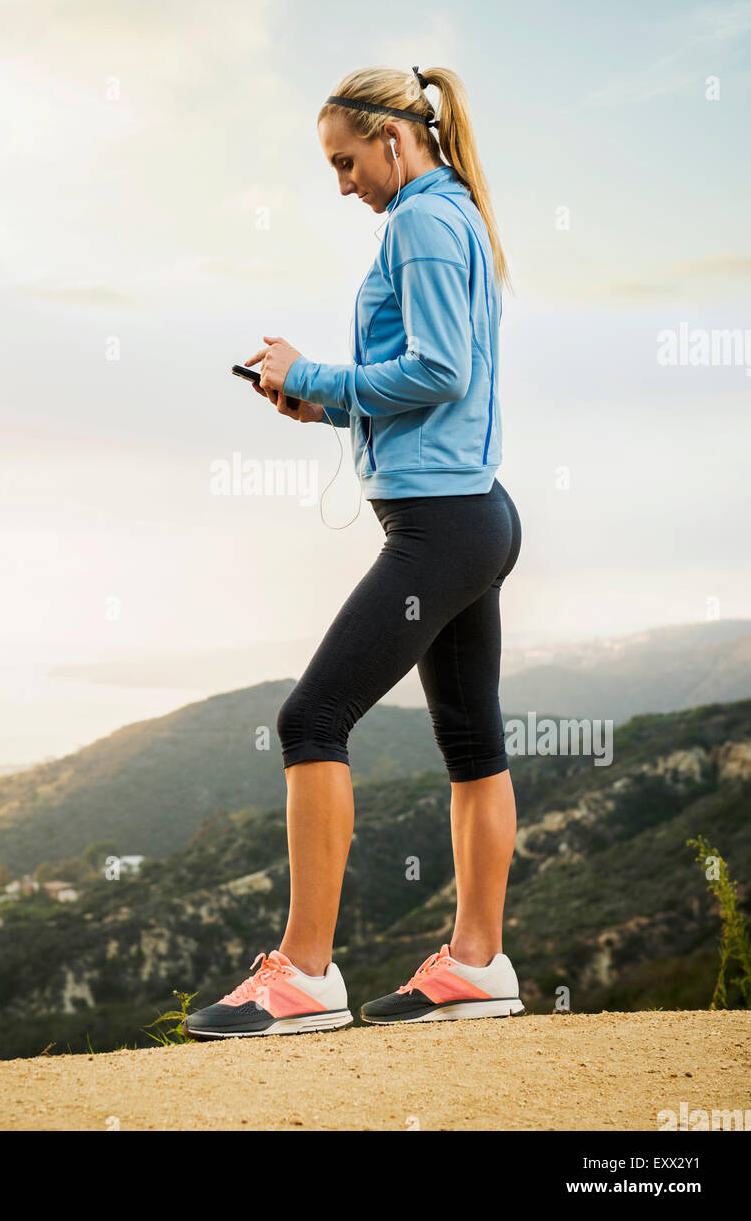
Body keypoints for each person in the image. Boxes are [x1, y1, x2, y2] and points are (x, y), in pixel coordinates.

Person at [184, 65, 524, 1039]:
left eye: (344, 162)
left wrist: (317, 372)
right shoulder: (454, 210)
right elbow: (431, 376)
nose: (342, 184)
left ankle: (302, 974)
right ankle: (475, 963)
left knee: (311, 716)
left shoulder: (418, 218)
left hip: (441, 524)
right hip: (472, 513)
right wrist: (319, 397)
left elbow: (437, 367)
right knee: (471, 742)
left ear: (389, 137)